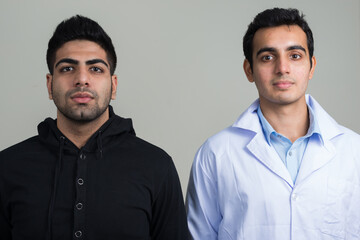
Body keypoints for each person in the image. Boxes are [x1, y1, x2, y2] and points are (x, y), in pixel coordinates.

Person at [0, 15, 188, 239]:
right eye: (68, 68)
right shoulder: (7, 167)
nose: (82, 79)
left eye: (96, 69)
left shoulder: (157, 166)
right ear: (50, 85)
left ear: (113, 85)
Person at [186, 7, 360, 240]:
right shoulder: (216, 153)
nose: (282, 68)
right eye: (267, 57)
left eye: (295, 55)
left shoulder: (353, 151)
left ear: (312, 66)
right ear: (249, 70)